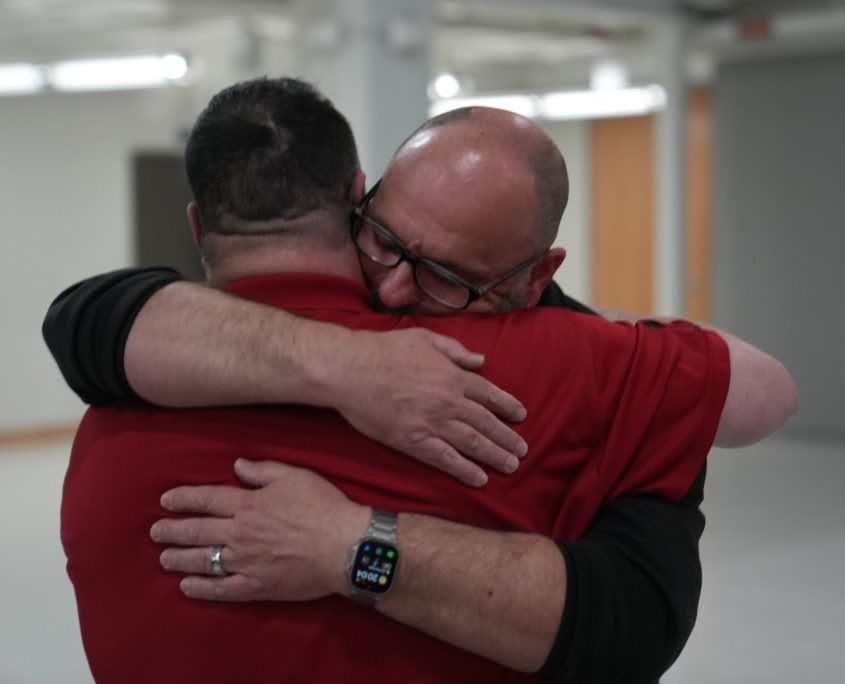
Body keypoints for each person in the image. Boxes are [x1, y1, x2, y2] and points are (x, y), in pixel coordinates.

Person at [48, 78, 796, 683]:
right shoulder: (552, 370)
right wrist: (344, 363)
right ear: (356, 198)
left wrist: (351, 543)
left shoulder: (112, 415)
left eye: (448, 277)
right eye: (386, 243)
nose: (402, 291)